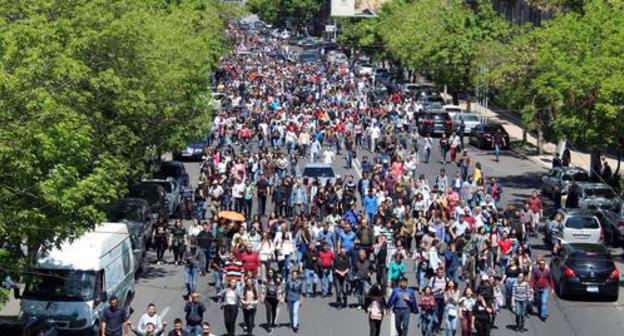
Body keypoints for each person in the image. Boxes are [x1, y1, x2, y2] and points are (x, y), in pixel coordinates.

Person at [530, 257, 555, 322]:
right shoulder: (535, 270)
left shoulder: (547, 271)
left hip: (545, 288)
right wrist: (531, 288)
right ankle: (540, 311)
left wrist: (552, 288)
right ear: (539, 264)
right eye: (541, 264)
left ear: (545, 264)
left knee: (543, 302)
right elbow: (532, 280)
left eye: (543, 264)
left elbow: (550, 280)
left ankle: (543, 316)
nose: (542, 265)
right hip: (537, 289)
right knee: (538, 303)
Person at [262, 268, 284, 333]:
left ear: (273, 273)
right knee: (268, 311)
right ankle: (268, 326)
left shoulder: (277, 280)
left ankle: (273, 322)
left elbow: (280, 288)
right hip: (267, 298)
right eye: (269, 272)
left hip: (274, 298)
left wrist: (280, 298)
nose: (270, 273)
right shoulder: (266, 280)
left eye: (271, 272)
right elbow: (263, 289)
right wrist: (262, 298)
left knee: (273, 310)